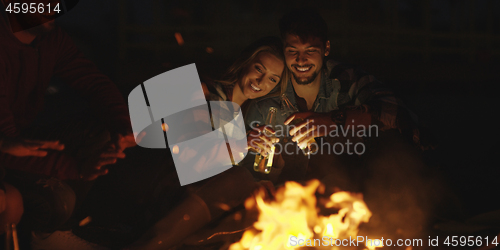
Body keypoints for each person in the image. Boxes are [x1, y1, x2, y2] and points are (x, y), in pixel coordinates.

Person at [244, 9, 433, 238]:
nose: (301, 60)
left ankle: (397, 220)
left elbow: (401, 115)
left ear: (326, 49)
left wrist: (334, 120)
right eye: (293, 51)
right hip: (292, 207)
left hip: (353, 195)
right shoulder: (269, 95)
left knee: (390, 142)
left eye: (310, 51)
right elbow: (251, 173)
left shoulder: (343, 80)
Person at [125, 36, 286, 250]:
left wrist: (273, 168)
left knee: (267, 197)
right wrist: (244, 144)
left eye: (272, 79)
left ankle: (189, 242)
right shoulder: (203, 92)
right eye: (259, 69)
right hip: (165, 193)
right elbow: (188, 161)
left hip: (202, 200)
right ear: (245, 63)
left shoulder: (244, 116)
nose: (261, 81)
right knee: (240, 179)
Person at [0, 0, 136, 248]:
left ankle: (70, 223)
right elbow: (6, 147)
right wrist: (75, 168)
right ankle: (47, 233)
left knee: (103, 129)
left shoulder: (50, 39)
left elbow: (93, 83)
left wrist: (122, 126)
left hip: (19, 140)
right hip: (5, 156)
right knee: (56, 202)